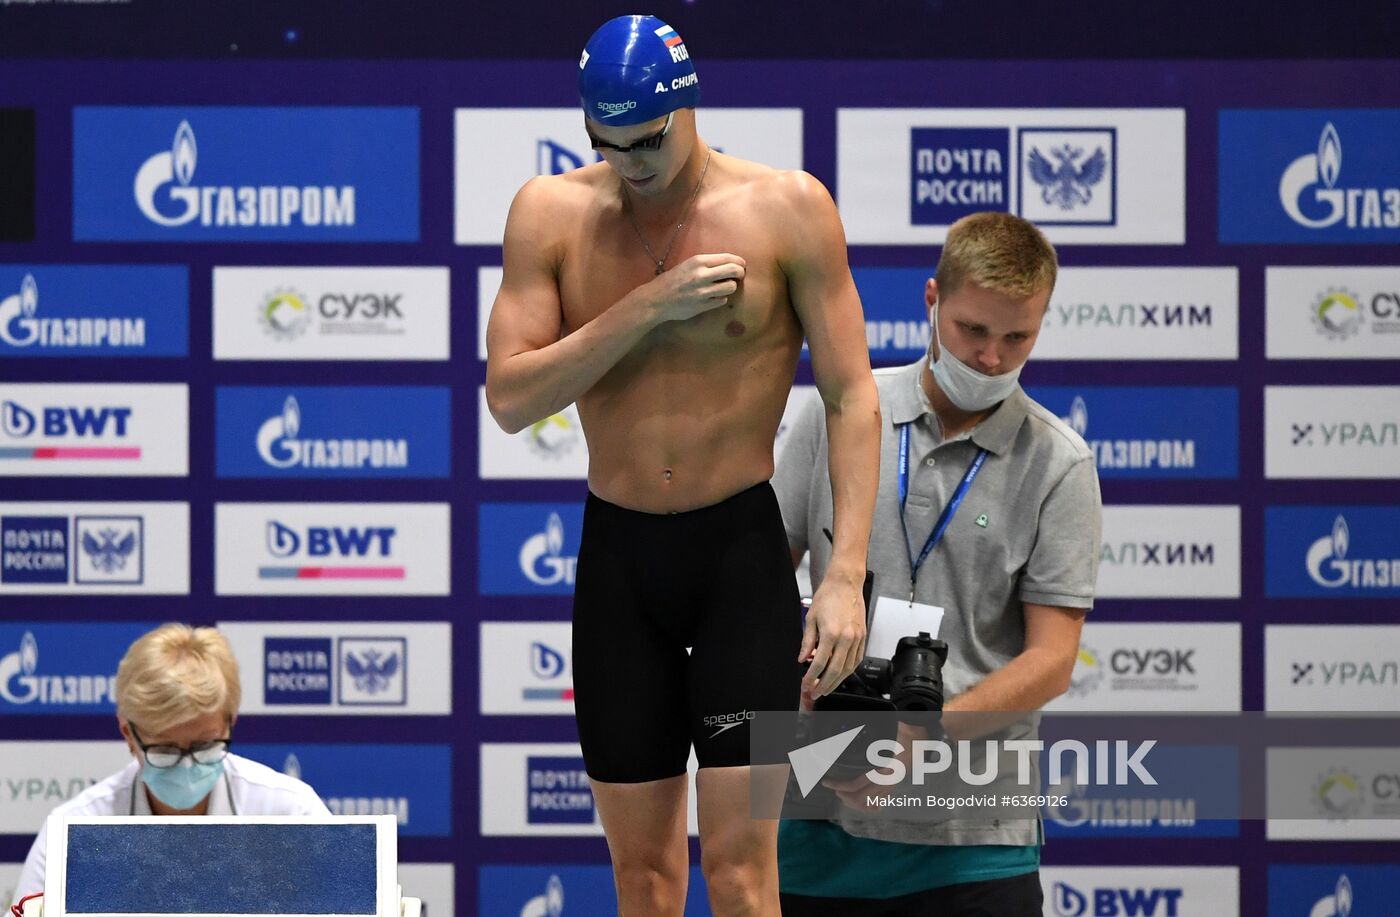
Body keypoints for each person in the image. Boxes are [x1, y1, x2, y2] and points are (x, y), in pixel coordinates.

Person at [484, 14, 880, 916]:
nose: (633, 161)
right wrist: (647, 307)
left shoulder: (787, 208)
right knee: (646, 880)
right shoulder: (549, 215)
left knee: (741, 876)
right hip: (620, 564)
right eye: (608, 143)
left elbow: (855, 397)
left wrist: (844, 572)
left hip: (740, 557)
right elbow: (509, 399)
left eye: (650, 139)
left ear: (688, 103)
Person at [772, 212, 1103, 916]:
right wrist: (790, 682)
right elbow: (755, 587)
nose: (991, 358)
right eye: (972, 330)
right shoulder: (833, 416)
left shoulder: (1061, 464)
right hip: (816, 818)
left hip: (975, 839)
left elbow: (1051, 658)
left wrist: (922, 734)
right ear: (931, 300)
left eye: (1018, 337)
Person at [13, 623, 328, 902]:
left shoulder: (293, 814)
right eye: (165, 748)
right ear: (128, 734)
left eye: (205, 745)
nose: (187, 765)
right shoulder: (72, 835)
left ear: (230, 722)